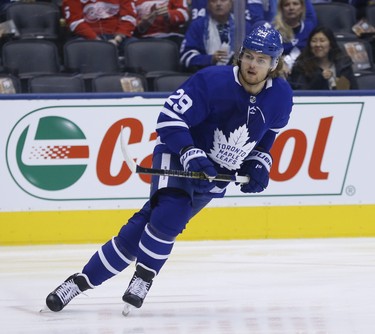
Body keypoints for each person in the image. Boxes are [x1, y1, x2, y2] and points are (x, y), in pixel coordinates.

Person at [44, 24, 293, 315]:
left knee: (138, 233)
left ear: (274, 65)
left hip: (215, 176)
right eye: (249, 56)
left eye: (262, 59)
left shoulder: (282, 96)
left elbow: (269, 132)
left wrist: (260, 160)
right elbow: (169, 118)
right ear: (240, 56)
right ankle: (144, 277)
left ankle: (80, 282)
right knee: (170, 214)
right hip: (177, 155)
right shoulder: (211, 81)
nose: (253, 64)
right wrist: (189, 151)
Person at [180, 0, 245, 71]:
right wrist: (210, 59)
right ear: (208, 5)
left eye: (223, 0)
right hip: (205, 76)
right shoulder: (197, 26)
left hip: (236, 76)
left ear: (231, 3)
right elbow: (185, 57)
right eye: (213, 1)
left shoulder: (243, 26)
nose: (218, 4)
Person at [289, 26, 358, 90]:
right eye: (314, 41)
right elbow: (299, 91)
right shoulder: (301, 65)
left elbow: (354, 90)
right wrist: (319, 79)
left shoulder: (343, 64)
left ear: (330, 44)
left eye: (322, 41)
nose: (318, 45)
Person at [62, 0, 137, 51]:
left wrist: (117, 39)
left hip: (117, 37)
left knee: (135, 46)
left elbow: (129, 17)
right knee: (78, 47)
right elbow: (75, 22)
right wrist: (97, 40)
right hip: (87, 38)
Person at [272, 0, 317, 76]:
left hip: (305, 72)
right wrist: (279, 64)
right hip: (280, 73)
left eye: (295, 4)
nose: (291, 8)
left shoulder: (309, 27)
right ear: (281, 9)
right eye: (286, 5)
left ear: (302, 8)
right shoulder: (273, 30)